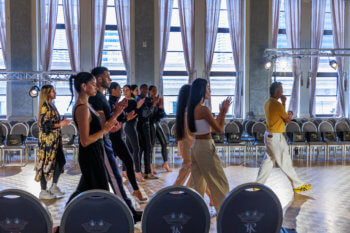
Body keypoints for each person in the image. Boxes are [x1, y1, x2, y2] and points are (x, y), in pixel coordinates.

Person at [255, 82, 312, 193]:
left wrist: (284, 103)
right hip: (276, 137)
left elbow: (280, 117)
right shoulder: (277, 105)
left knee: (268, 161)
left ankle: (258, 185)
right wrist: (290, 114)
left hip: (269, 135)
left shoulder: (268, 103)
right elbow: (287, 120)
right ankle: (297, 185)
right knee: (284, 161)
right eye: (281, 90)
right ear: (276, 92)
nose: (282, 92)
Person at [187, 78, 232, 212]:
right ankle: (225, 211)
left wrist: (220, 113)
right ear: (201, 90)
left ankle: (195, 211)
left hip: (196, 146)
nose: (209, 90)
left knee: (197, 183)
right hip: (205, 147)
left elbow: (210, 128)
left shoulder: (191, 109)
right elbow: (219, 129)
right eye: (208, 87)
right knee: (219, 181)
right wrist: (223, 112)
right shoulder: (203, 109)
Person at [108, 82, 147, 201]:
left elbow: (119, 118)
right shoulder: (110, 103)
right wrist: (125, 117)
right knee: (123, 163)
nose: (121, 92)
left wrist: (126, 116)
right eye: (119, 89)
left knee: (127, 162)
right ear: (113, 90)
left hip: (117, 138)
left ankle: (135, 190)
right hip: (113, 139)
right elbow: (112, 119)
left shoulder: (115, 102)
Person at [35, 85, 70, 200]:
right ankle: (43, 191)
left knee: (61, 161)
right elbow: (45, 126)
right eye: (52, 91)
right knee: (45, 164)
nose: (55, 92)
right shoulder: (45, 107)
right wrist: (60, 124)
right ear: (47, 94)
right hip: (47, 142)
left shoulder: (51, 106)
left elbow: (51, 122)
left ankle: (54, 186)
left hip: (55, 141)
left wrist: (61, 121)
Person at [123, 85, 146, 182]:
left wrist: (138, 106)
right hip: (130, 127)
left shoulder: (129, 101)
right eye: (123, 90)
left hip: (130, 127)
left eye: (127, 90)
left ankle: (124, 171)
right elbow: (132, 114)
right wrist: (138, 106)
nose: (125, 92)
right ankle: (137, 172)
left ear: (130, 91)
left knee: (129, 150)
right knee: (137, 149)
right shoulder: (130, 101)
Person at [136, 84, 159, 179]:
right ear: (140, 89)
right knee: (146, 148)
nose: (145, 90)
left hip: (144, 126)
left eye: (146, 89)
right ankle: (146, 172)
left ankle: (143, 171)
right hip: (143, 126)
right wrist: (153, 105)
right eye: (144, 88)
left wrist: (155, 105)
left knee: (144, 148)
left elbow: (154, 114)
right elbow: (145, 114)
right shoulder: (140, 99)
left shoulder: (146, 99)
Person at [149, 85, 172, 172]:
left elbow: (163, 115)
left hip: (157, 123)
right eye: (153, 91)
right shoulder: (147, 101)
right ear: (149, 91)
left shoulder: (158, 101)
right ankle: (150, 166)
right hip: (150, 124)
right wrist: (154, 105)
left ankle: (165, 163)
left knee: (164, 142)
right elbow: (149, 115)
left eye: (156, 90)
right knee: (151, 146)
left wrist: (160, 106)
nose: (155, 92)